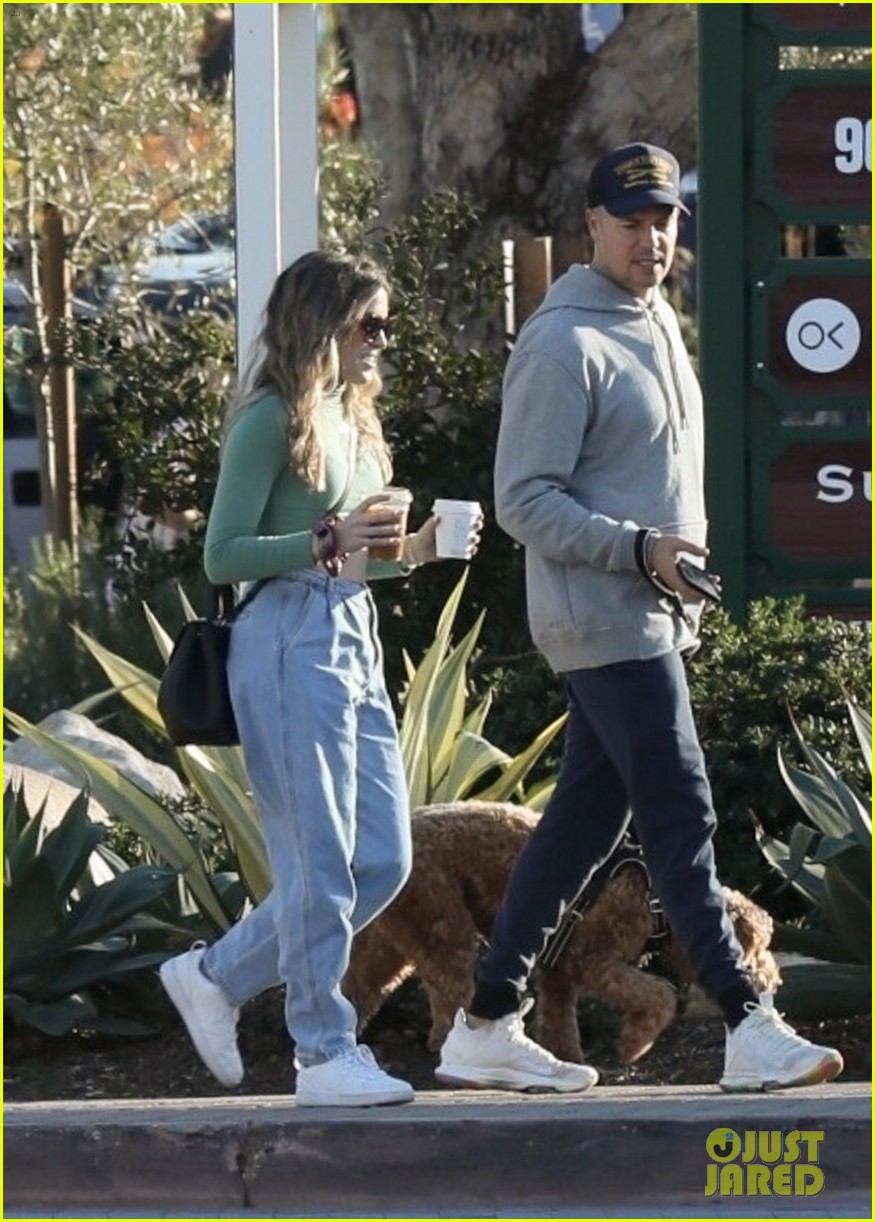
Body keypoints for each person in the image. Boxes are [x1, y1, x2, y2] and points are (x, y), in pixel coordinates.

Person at [437, 143, 843, 1095]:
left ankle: (486, 1021)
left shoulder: (652, 320)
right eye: (630, 221)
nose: (651, 238)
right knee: (680, 810)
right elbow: (520, 499)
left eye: (664, 221)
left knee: (578, 827)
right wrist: (636, 550)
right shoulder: (561, 341)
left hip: (649, 618)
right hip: (606, 618)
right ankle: (748, 1024)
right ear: (591, 225)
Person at [160, 249, 479, 1108]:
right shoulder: (270, 419)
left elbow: (361, 559)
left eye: (386, 325)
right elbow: (221, 554)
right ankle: (321, 1051)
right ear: (319, 326)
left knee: (380, 858)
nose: (381, 341)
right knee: (319, 865)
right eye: (367, 325)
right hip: (286, 635)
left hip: (349, 632)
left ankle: (213, 976)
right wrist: (324, 541)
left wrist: (414, 552)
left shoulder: (353, 419)